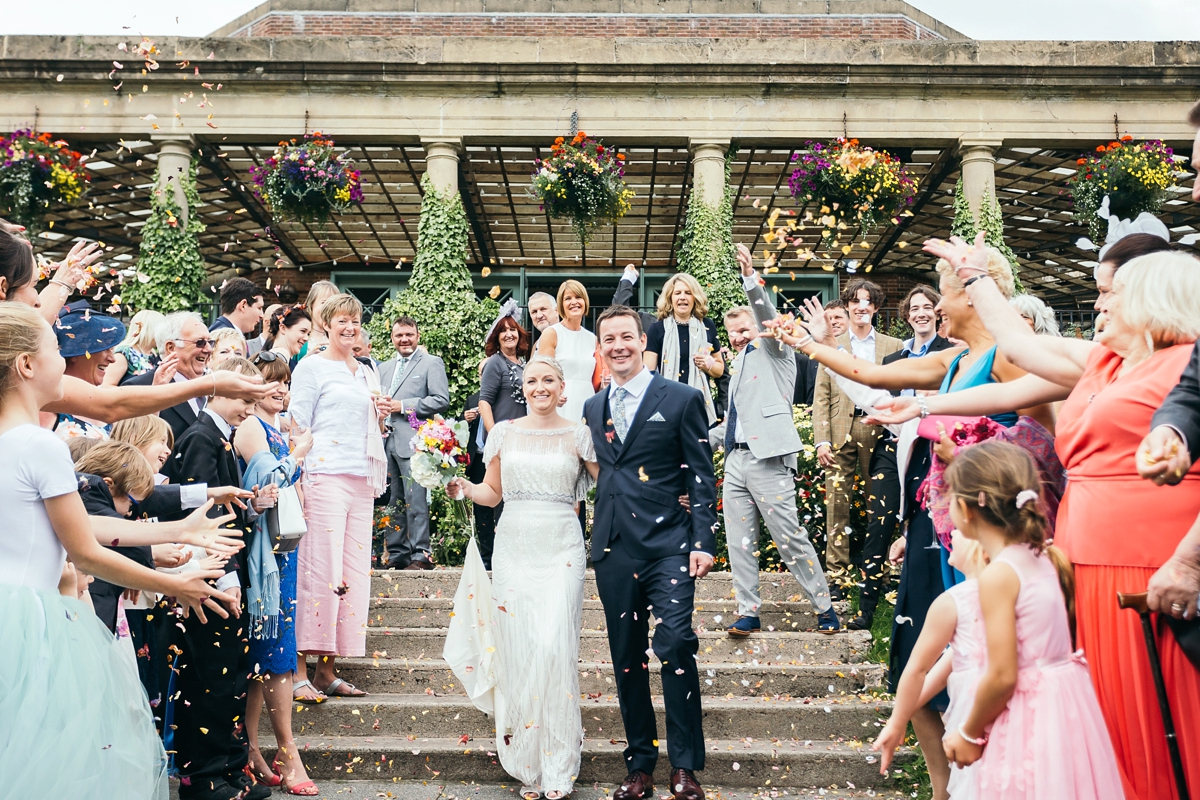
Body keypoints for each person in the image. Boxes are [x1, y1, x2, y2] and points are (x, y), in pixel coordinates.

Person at [872, 241, 1200, 800]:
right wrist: (973, 278)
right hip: (1082, 561)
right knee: (1110, 715)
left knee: (1164, 710)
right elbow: (1017, 348)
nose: (1100, 306)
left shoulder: (1186, 368)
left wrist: (1190, 559)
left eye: (1110, 295)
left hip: (1154, 561)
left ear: (1156, 301)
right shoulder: (1102, 363)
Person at [770, 242, 1053, 800]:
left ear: (971, 295)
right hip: (934, 524)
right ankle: (943, 786)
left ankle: (992, 776)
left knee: (979, 651)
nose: (936, 306)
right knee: (914, 667)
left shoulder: (1009, 357)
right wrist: (812, 346)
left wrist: (976, 450)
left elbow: (1042, 444)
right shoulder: (953, 360)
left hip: (988, 529)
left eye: (944, 293)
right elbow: (873, 374)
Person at [0, 302, 240, 800]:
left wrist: (176, 529)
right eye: (54, 352)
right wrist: (172, 583)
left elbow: (78, 525)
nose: (66, 363)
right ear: (27, 365)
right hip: (33, 623)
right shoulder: (40, 445)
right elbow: (84, 551)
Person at [446, 357, 599, 799]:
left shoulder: (579, 434)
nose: (539, 387)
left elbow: (611, 485)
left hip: (561, 550)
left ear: (562, 386)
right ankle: (528, 762)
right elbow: (492, 493)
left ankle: (558, 762)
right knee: (522, 649)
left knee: (554, 646)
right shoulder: (504, 433)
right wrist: (464, 489)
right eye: (531, 380)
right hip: (513, 546)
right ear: (523, 388)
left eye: (548, 379)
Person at [583, 305, 718, 800]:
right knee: (625, 656)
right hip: (615, 547)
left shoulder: (681, 398)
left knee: (677, 643)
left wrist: (704, 540)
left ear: (643, 342)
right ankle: (640, 763)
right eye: (609, 339)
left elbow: (701, 474)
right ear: (600, 349)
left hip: (669, 545)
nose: (618, 346)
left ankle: (685, 766)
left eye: (626, 336)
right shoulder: (593, 407)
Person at [938, 441, 1122, 800]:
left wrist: (969, 731)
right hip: (1064, 711)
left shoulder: (998, 576)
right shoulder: (1040, 558)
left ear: (967, 507)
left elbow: (1003, 674)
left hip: (1026, 717)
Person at [0, 226, 276, 424]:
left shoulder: (13, 346)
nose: (39, 300)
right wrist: (210, 384)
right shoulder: (15, 365)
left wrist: (62, 282)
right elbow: (110, 404)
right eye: (36, 285)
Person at [163, 356, 279, 800]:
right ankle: (204, 774)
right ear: (222, 390)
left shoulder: (221, 438)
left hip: (226, 570)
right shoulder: (200, 438)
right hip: (211, 574)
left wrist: (252, 508)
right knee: (209, 677)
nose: (249, 411)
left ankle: (229, 767)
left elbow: (226, 510)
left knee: (230, 675)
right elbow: (202, 515)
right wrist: (226, 574)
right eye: (245, 400)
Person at [721, 244, 839, 639]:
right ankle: (747, 611)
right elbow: (736, 420)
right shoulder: (738, 365)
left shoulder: (775, 349)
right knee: (740, 541)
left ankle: (824, 608)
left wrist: (750, 278)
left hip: (769, 458)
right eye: (731, 331)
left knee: (788, 535)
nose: (737, 337)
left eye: (743, 329)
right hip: (735, 461)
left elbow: (766, 315)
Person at [289, 294, 388, 698]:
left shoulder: (366, 371)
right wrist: (296, 474)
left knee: (349, 575)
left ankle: (327, 670)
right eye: (342, 321)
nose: (350, 328)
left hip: (361, 476)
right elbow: (298, 423)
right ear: (325, 324)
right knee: (318, 570)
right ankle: (297, 670)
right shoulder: (311, 367)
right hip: (323, 473)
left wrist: (380, 418)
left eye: (356, 321)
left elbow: (372, 427)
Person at [233, 351, 318, 795]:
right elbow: (269, 481)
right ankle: (288, 751)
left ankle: (252, 750)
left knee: (266, 650)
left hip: (280, 550)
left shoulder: (276, 427)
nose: (282, 388)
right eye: (272, 381)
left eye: (285, 381)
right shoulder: (250, 427)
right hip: (262, 552)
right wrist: (299, 453)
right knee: (274, 650)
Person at [851, 285, 954, 631]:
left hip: (930, 448)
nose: (921, 313)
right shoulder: (893, 360)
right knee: (878, 524)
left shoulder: (951, 351)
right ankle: (866, 607)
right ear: (906, 315)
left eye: (927, 307)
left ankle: (928, 605)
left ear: (937, 313)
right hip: (892, 446)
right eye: (914, 308)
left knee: (925, 524)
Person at [873, 529, 987, 799]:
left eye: (959, 530)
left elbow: (919, 668)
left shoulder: (954, 603)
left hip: (980, 724)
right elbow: (940, 665)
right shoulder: (1010, 589)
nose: (949, 535)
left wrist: (898, 721)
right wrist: (899, 718)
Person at [811, 279, 902, 596]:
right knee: (837, 506)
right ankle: (836, 577)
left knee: (880, 505)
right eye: (855, 301)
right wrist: (821, 439)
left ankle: (883, 572)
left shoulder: (894, 346)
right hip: (839, 435)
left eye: (868, 301)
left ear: (875, 307)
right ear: (847, 306)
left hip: (880, 434)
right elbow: (820, 396)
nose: (861, 306)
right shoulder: (832, 344)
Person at [378, 316, 450, 570]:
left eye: (409, 334)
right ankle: (397, 554)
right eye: (399, 335)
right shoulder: (383, 368)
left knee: (415, 501)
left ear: (418, 336)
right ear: (392, 338)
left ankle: (421, 554)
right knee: (392, 501)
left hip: (415, 442)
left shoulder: (431, 363)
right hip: (385, 443)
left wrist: (404, 407)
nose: (404, 339)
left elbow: (441, 399)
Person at [477, 313, 532, 568]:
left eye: (513, 330)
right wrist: (494, 437)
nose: (509, 334)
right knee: (502, 499)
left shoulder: (524, 364)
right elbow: (484, 401)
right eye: (503, 331)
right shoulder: (494, 364)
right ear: (496, 337)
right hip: (505, 441)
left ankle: (519, 554)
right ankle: (502, 560)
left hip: (525, 440)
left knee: (520, 498)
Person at [124, 311, 220, 441]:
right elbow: (135, 445)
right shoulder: (139, 388)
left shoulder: (214, 385)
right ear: (171, 347)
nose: (208, 349)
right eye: (200, 342)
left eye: (210, 342)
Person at [643, 273, 723, 426]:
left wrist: (709, 364)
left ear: (695, 298)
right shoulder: (657, 329)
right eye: (677, 293)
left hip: (698, 403)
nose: (682, 297)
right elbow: (648, 373)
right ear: (670, 298)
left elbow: (719, 370)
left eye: (688, 293)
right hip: (666, 403)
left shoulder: (707, 326)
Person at [50, 300, 126, 441]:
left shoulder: (103, 400)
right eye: (105, 349)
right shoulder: (47, 402)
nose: (112, 359)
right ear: (76, 351)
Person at [537, 280, 596, 424]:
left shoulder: (593, 338)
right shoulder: (551, 333)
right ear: (561, 305)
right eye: (568, 298)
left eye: (578, 297)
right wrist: (552, 396)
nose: (574, 302)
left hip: (588, 400)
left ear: (585, 301)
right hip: (561, 402)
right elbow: (541, 373)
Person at [105, 308, 164, 386]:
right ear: (148, 330)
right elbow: (106, 386)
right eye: (162, 330)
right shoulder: (124, 354)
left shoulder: (153, 354)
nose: (165, 334)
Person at [209, 277, 265, 346]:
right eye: (259, 308)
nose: (262, 316)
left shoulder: (224, 332)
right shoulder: (223, 338)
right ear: (243, 305)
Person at [298, 280, 339, 358]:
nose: (328, 308)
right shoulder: (299, 337)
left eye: (333, 304)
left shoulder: (339, 338)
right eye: (324, 303)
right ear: (311, 304)